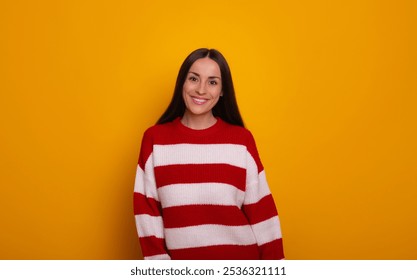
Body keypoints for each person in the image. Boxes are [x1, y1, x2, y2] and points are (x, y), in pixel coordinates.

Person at [133, 48, 284, 260]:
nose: (201, 90)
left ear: (222, 90)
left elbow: (263, 213)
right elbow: (147, 212)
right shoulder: (155, 140)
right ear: (182, 83)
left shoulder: (241, 141)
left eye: (212, 82)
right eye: (194, 79)